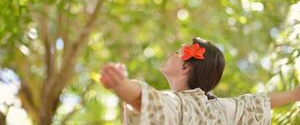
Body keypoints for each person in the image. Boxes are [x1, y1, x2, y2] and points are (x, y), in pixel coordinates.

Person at [99, 37, 300, 125]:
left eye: (178, 52)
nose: (172, 53)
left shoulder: (180, 104)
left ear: (186, 67)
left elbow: (145, 100)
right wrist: (294, 95)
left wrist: (122, 85)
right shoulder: (222, 107)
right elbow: (259, 102)